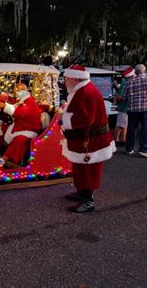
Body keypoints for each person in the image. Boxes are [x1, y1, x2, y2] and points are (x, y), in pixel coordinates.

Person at [59, 65, 115, 213]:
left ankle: (88, 200)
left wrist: (65, 120)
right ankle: (81, 192)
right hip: (85, 140)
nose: (65, 81)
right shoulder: (81, 90)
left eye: (68, 78)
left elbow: (85, 119)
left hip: (92, 141)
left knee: (89, 170)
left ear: (76, 78)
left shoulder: (87, 92)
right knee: (80, 168)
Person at [0, 82, 43, 167]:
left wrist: (5, 106)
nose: (19, 92)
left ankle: (5, 159)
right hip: (17, 127)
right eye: (17, 90)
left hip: (28, 129)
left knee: (20, 139)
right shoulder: (18, 101)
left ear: (27, 90)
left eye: (22, 90)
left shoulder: (30, 101)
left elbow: (20, 113)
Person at [124, 64, 147, 158]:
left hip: (133, 109)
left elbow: (125, 97)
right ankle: (143, 149)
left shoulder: (130, 82)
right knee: (146, 129)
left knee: (131, 129)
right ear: (145, 71)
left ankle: (129, 148)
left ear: (135, 72)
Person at [113, 67, 136, 146]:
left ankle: (123, 140)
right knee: (120, 124)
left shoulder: (125, 82)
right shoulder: (127, 83)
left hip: (124, 107)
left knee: (123, 124)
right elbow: (120, 96)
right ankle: (116, 140)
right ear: (131, 76)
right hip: (124, 107)